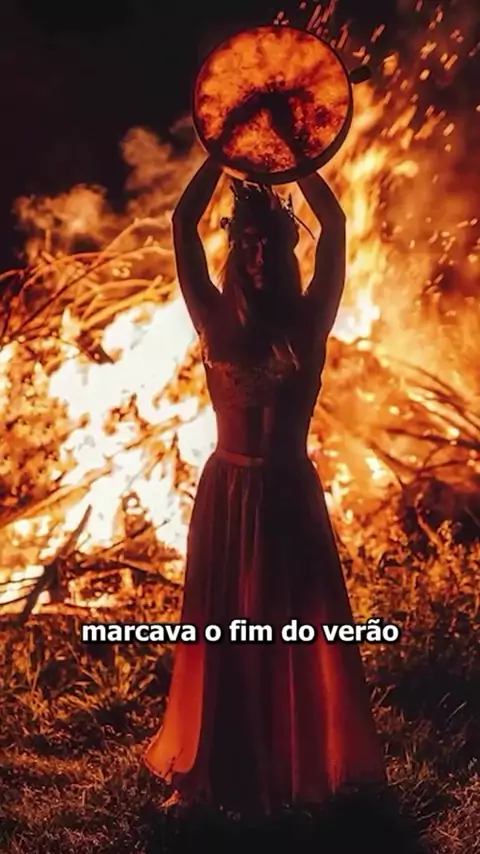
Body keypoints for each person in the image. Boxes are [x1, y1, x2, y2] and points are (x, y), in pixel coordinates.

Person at [143, 156, 386, 814]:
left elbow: (334, 223)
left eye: (270, 245)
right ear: (234, 249)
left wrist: (299, 161)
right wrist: (219, 153)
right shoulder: (210, 315)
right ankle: (223, 770)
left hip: (286, 495)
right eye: (248, 243)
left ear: (286, 251)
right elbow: (182, 222)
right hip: (226, 494)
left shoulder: (310, 318)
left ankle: (291, 772)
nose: (257, 256)